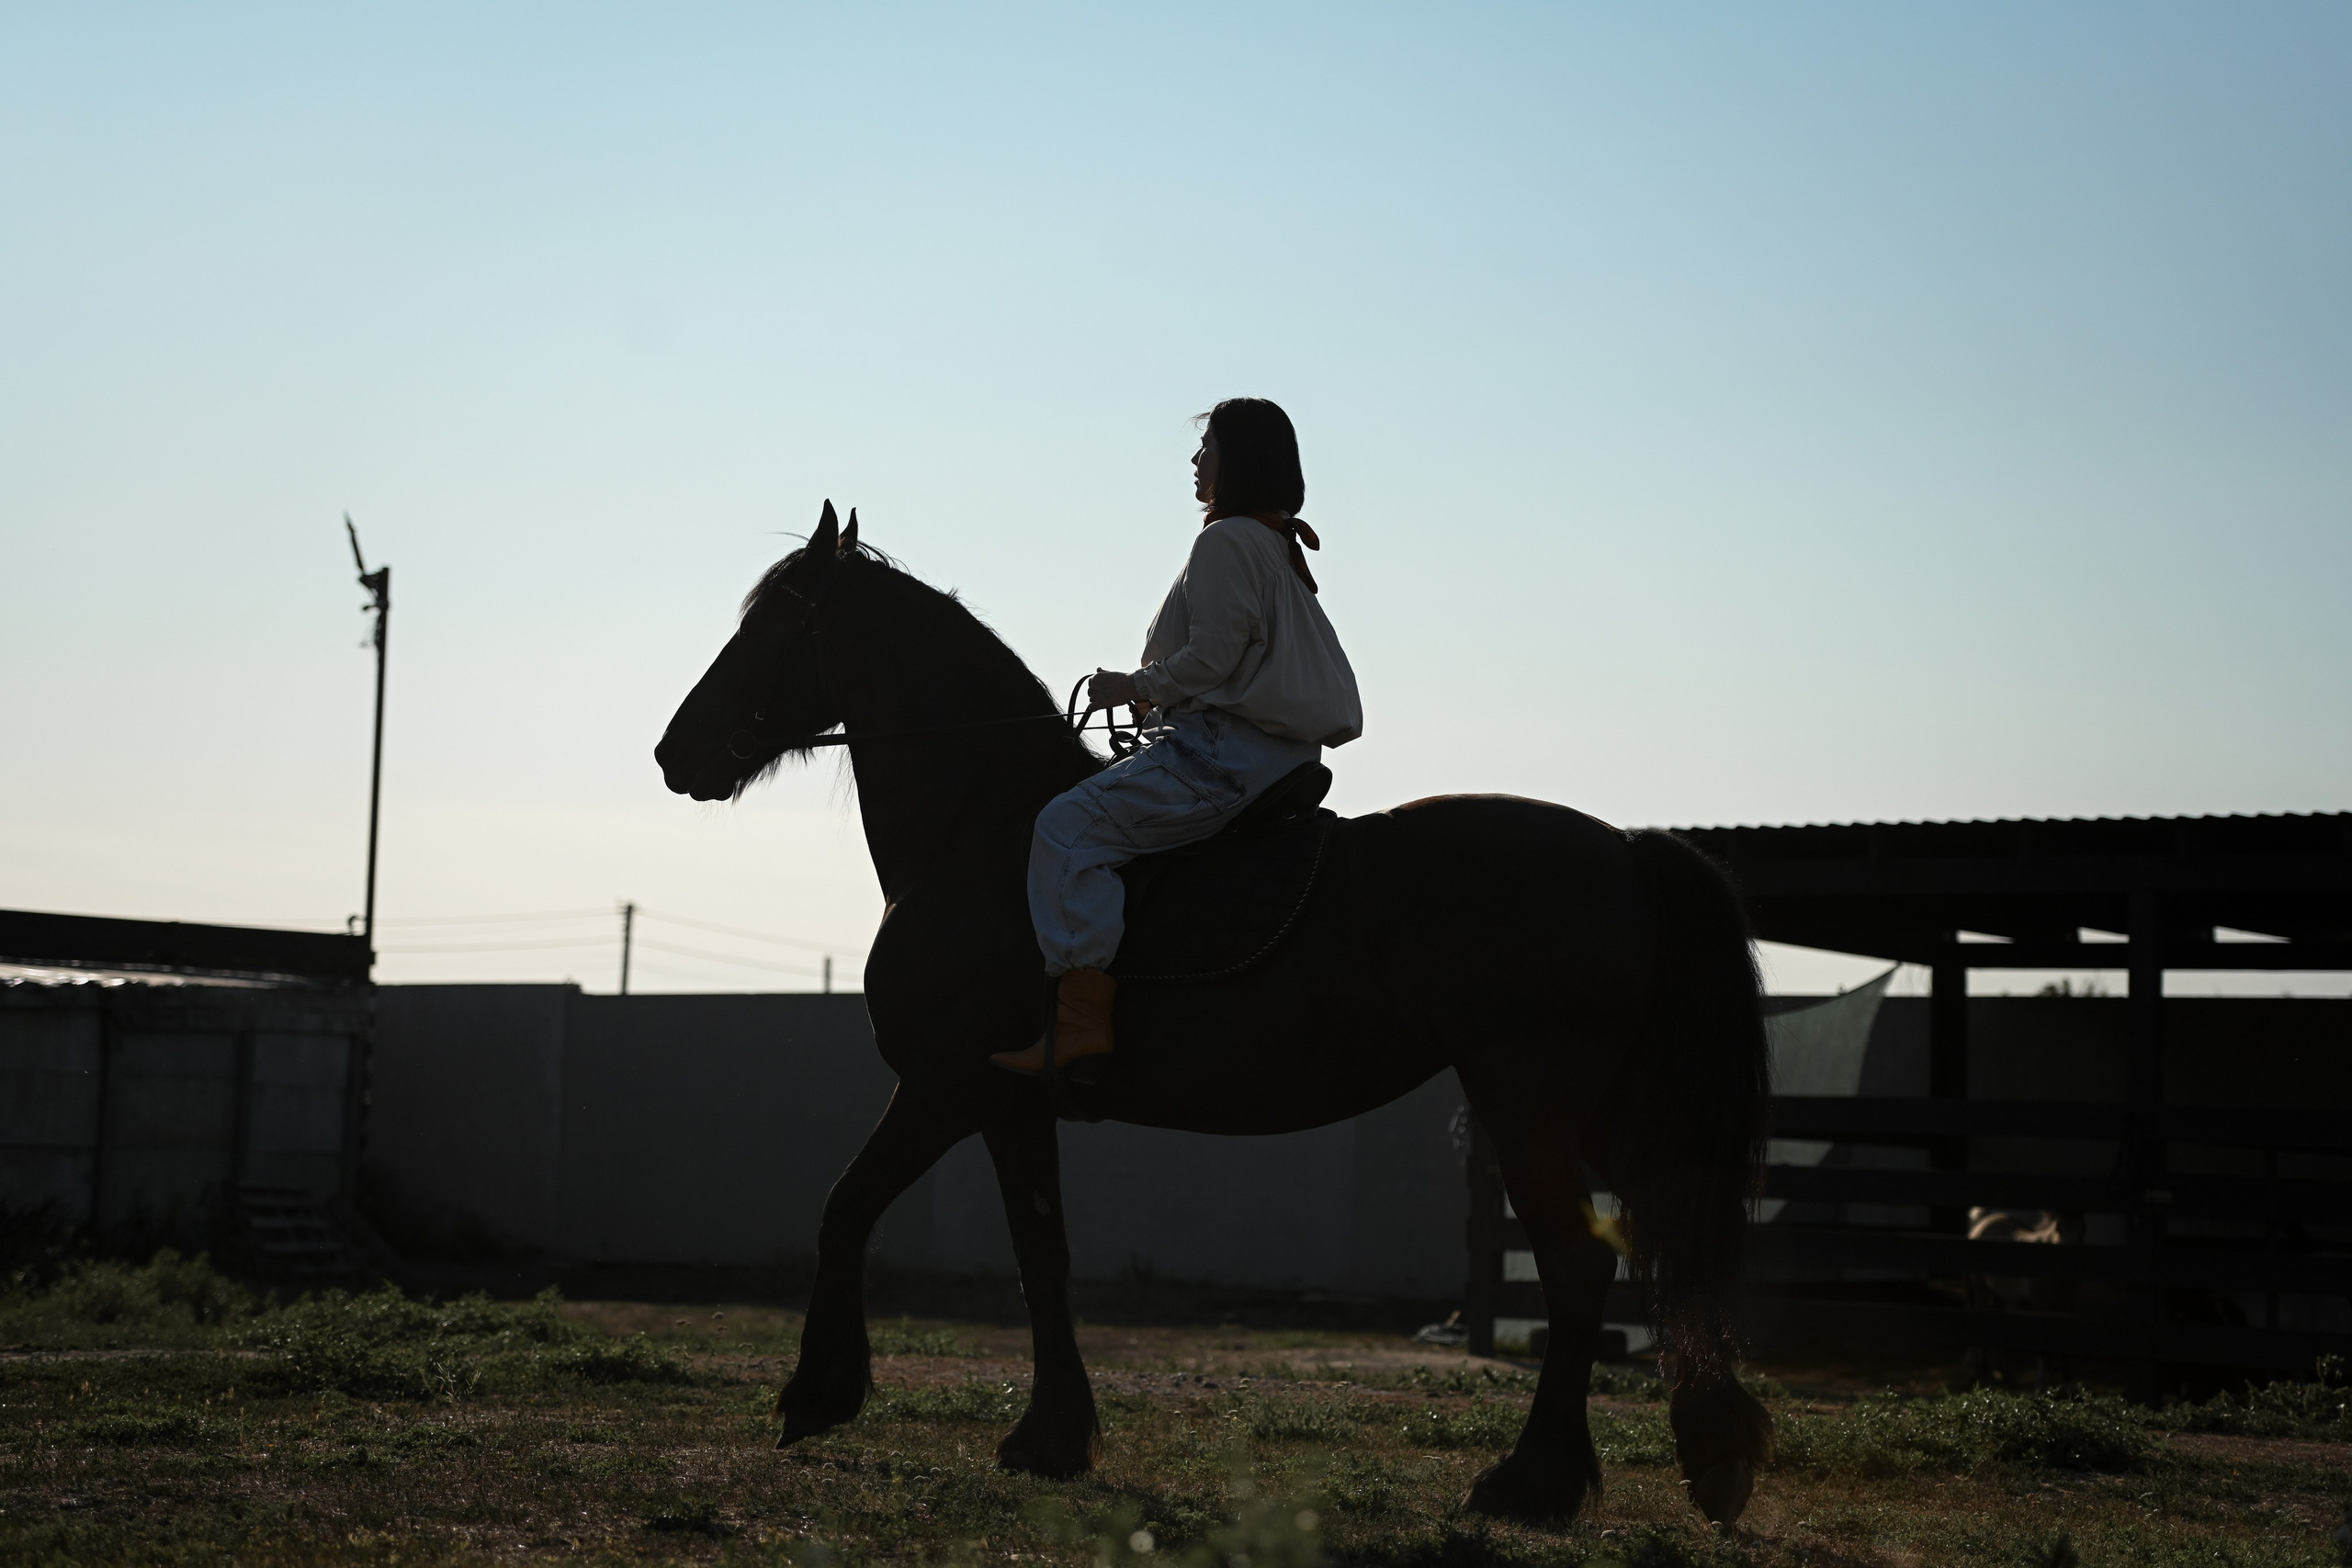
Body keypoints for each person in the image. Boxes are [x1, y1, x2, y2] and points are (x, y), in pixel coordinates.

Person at [991, 398, 1363, 1075]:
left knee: (1065, 829)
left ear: (1237, 460)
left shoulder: (1224, 541)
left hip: (1225, 759)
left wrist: (1130, 687)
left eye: (1209, 447)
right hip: (1269, 756)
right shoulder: (1271, 541)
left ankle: (1078, 1023)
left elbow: (1212, 660)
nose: (1197, 461)